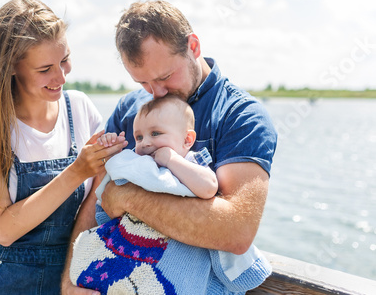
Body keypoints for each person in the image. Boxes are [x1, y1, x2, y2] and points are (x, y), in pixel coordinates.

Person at [62, 0, 277, 294]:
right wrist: (68, 282)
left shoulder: (241, 116)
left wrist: (126, 197)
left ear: (194, 47)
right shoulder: (131, 108)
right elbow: (96, 194)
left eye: (165, 77)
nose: (157, 92)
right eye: (144, 83)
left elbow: (236, 232)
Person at [0, 0, 126, 295]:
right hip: (4, 280)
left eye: (65, 60)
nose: (61, 76)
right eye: (45, 69)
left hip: (72, 276)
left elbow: (100, 197)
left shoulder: (80, 108)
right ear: (11, 67)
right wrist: (76, 171)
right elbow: (3, 230)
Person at [69, 95, 271, 294]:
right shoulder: (139, 164)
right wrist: (112, 150)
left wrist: (171, 160)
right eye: (138, 137)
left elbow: (209, 187)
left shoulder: (190, 163)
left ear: (187, 139)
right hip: (134, 248)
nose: (145, 143)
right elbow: (109, 194)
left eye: (156, 133)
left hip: (174, 257)